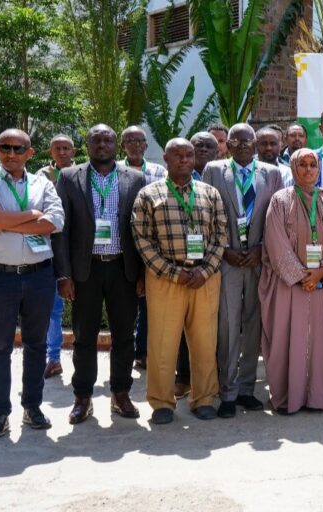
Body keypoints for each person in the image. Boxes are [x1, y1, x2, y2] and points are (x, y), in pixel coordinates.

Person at [0, 129, 64, 439]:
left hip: (39, 275)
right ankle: (0, 414)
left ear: (30, 152)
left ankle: (32, 407)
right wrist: (31, 216)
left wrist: (6, 218)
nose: (10, 153)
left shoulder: (43, 183)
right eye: (4, 147)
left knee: (36, 345)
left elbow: (56, 221)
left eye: (17, 148)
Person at [53, 124, 146, 425]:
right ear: (87, 144)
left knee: (124, 336)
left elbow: (142, 230)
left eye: (108, 139)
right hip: (86, 270)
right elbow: (62, 230)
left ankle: (121, 393)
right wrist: (63, 275)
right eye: (97, 140)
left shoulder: (135, 178)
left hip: (123, 268)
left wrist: (142, 273)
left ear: (116, 145)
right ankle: (83, 397)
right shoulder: (68, 177)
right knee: (84, 336)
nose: (103, 144)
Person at [131, 138, 228, 424]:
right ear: (165, 158)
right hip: (165, 279)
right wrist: (174, 272)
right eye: (178, 155)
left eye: (189, 155)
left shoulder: (209, 193)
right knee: (163, 342)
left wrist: (205, 270)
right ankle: (162, 402)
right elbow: (142, 240)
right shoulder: (149, 195)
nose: (185, 160)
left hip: (204, 279)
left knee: (204, 342)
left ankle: (204, 398)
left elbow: (220, 235)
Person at [202, 123, 283, 418]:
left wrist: (262, 249)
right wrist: (223, 249)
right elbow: (205, 213)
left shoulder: (272, 173)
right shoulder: (213, 169)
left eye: (248, 139)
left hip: (259, 259)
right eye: (235, 139)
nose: (242, 143)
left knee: (253, 325)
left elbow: (277, 216)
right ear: (229, 145)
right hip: (228, 259)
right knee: (227, 325)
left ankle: (247, 390)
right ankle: (227, 391)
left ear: (256, 143)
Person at [259, 149, 323, 414]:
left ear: (318, 169)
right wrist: (300, 275)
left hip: (321, 283)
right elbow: (276, 243)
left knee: (319, 338)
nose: (308, 170)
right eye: (302, 165)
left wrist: (322, 270)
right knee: (286, 336)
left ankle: (318, 396)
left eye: (312, 165)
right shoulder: (280, 200)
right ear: (293, 168)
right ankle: (288, 397)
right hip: (288, 284)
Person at [172, 131, 220, 399]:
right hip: (177, 267)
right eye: (196, 145)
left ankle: (210, 382)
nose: (202, 149)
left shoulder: (218, 179)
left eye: (208, 146)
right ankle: (183, 377)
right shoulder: (175, 178)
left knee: (207, 330)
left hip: (209, 266)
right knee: (179, 329)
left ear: (218, 152)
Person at [121, 125, 168, 370]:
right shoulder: (116, 170)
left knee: (149, 302)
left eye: (140, 141)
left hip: (153, 242)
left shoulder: (160, 171)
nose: (135, 145)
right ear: (123, 146)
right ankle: (129, 350)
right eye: (130, 141)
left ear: (146, 146)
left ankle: (145, 351)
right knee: (127, 302)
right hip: (123, 243)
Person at [36, 134, 76, 379]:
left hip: (78, 249)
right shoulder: (39, 178)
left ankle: (83, 358)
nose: (62, 152)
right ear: (50, 152)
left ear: (74, 151)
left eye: (66, 148)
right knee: (53, 308)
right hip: (50, 248)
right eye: (57, 148)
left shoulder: (83, 174)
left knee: (84, 308)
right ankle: (53, 358)